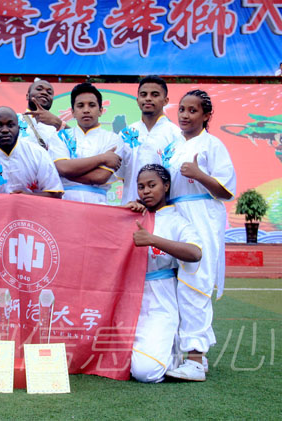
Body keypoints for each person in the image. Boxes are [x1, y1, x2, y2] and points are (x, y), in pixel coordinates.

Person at [165, 89, 236, 381]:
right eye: (182, 109)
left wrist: (199, 174)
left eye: (193, 110)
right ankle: (193, 354)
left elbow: (227, 190)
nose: (185, 115)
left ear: (207, 116)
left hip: (202, 216)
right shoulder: (172, 146)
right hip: (174, 215)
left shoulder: (213, 145)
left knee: (196, 281)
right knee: (176, 285)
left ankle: (194, 359)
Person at [124, 164, 202, 383]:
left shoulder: (177, 220)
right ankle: (160, 350)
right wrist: (125, 214)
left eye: (152, 185)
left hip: (160, 297)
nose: (146, 191)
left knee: (145, 372)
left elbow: (195, 253)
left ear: (166, 186)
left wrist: (153, 240)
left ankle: (171, 353)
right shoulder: (132, 214)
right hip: (129, 297)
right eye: (140, 187)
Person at [50, 83, 122, 204]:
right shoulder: (61, 137)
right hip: (65, 202)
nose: (86, 110)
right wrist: (102, 158)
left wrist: (67, 173)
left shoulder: (113, 139)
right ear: (73, 112)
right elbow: (63, 167)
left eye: (92, 105)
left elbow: (100, 177)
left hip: (98, 203)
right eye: (80, 106)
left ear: (100, 111)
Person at [0, 106, 63, 198]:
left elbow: (56, 193)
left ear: (18, 128)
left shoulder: (38, 153)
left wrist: (29, 198)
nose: (5, 130)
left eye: (10, 125)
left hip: (33, 212)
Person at [119, 75, 182, 205]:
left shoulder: (176, 135)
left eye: (154, 95)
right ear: (137, 100)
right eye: (144, 94)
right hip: (131, 206)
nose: (148, 98)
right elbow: (123, 176)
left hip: (165, 210)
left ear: (165, 101)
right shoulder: (125, 134)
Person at [18, 79, 65, 149]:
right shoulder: (14, 119)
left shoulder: (57, 128)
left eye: (49, 92)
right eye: (39, 89)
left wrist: (60, 124)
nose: (44, 93)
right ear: (27, 96)